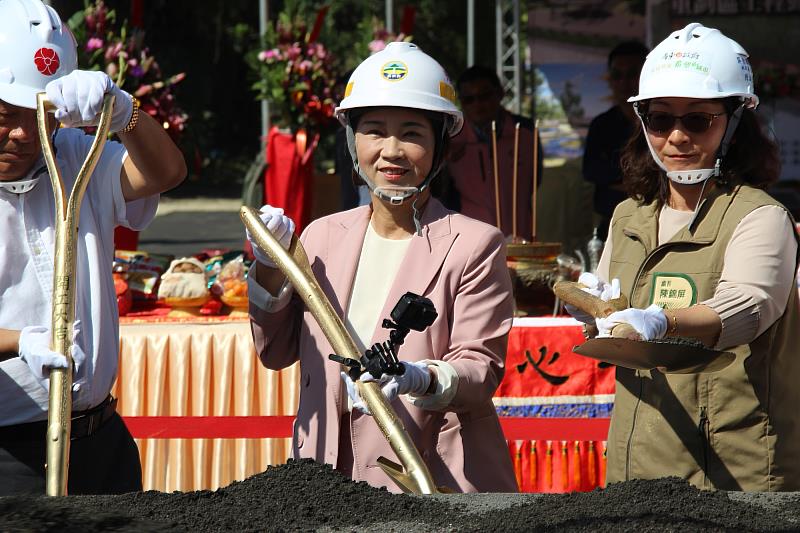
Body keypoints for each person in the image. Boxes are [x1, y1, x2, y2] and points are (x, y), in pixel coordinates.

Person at [247, 42, 517, 493]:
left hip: (431, 477)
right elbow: (274, 353)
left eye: (412, 132)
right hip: (325, 477)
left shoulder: (475, 244)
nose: (391, 151)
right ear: (353, 141)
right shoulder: (320, 236)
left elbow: (479, 368)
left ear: (440, 146)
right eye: (374, 131)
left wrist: (421, 378)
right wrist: (270, 267)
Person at [569, 23, 800, 491]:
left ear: (734, 121)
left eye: (697, 120)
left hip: (734, 471)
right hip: (638, 463)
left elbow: (746, 306)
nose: (676, 136)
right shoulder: (627, 216)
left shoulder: (760, 216)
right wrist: (594, 313)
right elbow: (615, 322)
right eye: (659, 120)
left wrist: (662, 321)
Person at [0, 0, 186, 495]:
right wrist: (19, 342)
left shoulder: (78, 155)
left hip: (101, 443)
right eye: (3, 113)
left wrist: (125, 113)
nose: (22, 133)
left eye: (36, 115)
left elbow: (166, 173)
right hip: (9, 456)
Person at [446, 65, 542, 241]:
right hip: (470, 241)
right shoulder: (451, 139)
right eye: (469, 99)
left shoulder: (526, 132)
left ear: (500, 93)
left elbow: (535, 182)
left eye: (484, 96)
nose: (478, 104)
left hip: (520, 238)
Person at [582, 41, 649, 240]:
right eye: (617, 75)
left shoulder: (663, 121)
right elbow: (591, 170)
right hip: (611, 222)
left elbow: (663, 170)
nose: (624, 82)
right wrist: (641, 179)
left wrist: (618, 178)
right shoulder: (601, 125)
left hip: (656, 219)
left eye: (632, 74)